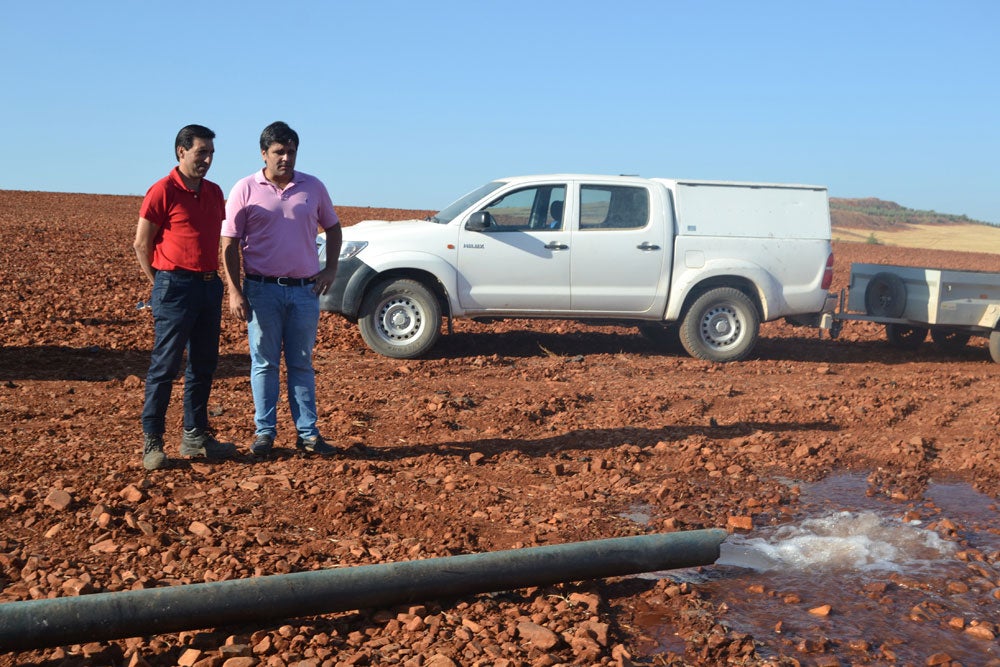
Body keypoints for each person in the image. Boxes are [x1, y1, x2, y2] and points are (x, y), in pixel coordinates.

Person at [221, 121, 342, 457]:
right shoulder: (245, 188)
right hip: (262, 291)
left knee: (301, 362)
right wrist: (234, 290)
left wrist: (330, 268)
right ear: (264, 153)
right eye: (279, 152)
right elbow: (229, 243)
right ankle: (265, 434)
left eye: (291, 151)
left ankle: (308, 435)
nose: (286, 158)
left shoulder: (312, 187)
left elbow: (333, 227)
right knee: (264, 364)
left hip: (304, 291)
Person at [134, 124, 232, 470]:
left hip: (208, 285)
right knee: (165, 366)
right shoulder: (162, 190)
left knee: (204, 364)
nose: (207, 159)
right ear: (181, 151)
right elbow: (141, 244)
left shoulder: (214, 192)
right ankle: (153, 441)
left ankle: (194, 435)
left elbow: (221, 240)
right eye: (200, 152)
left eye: (210, 154)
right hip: (174, 285)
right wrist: (161, 282)